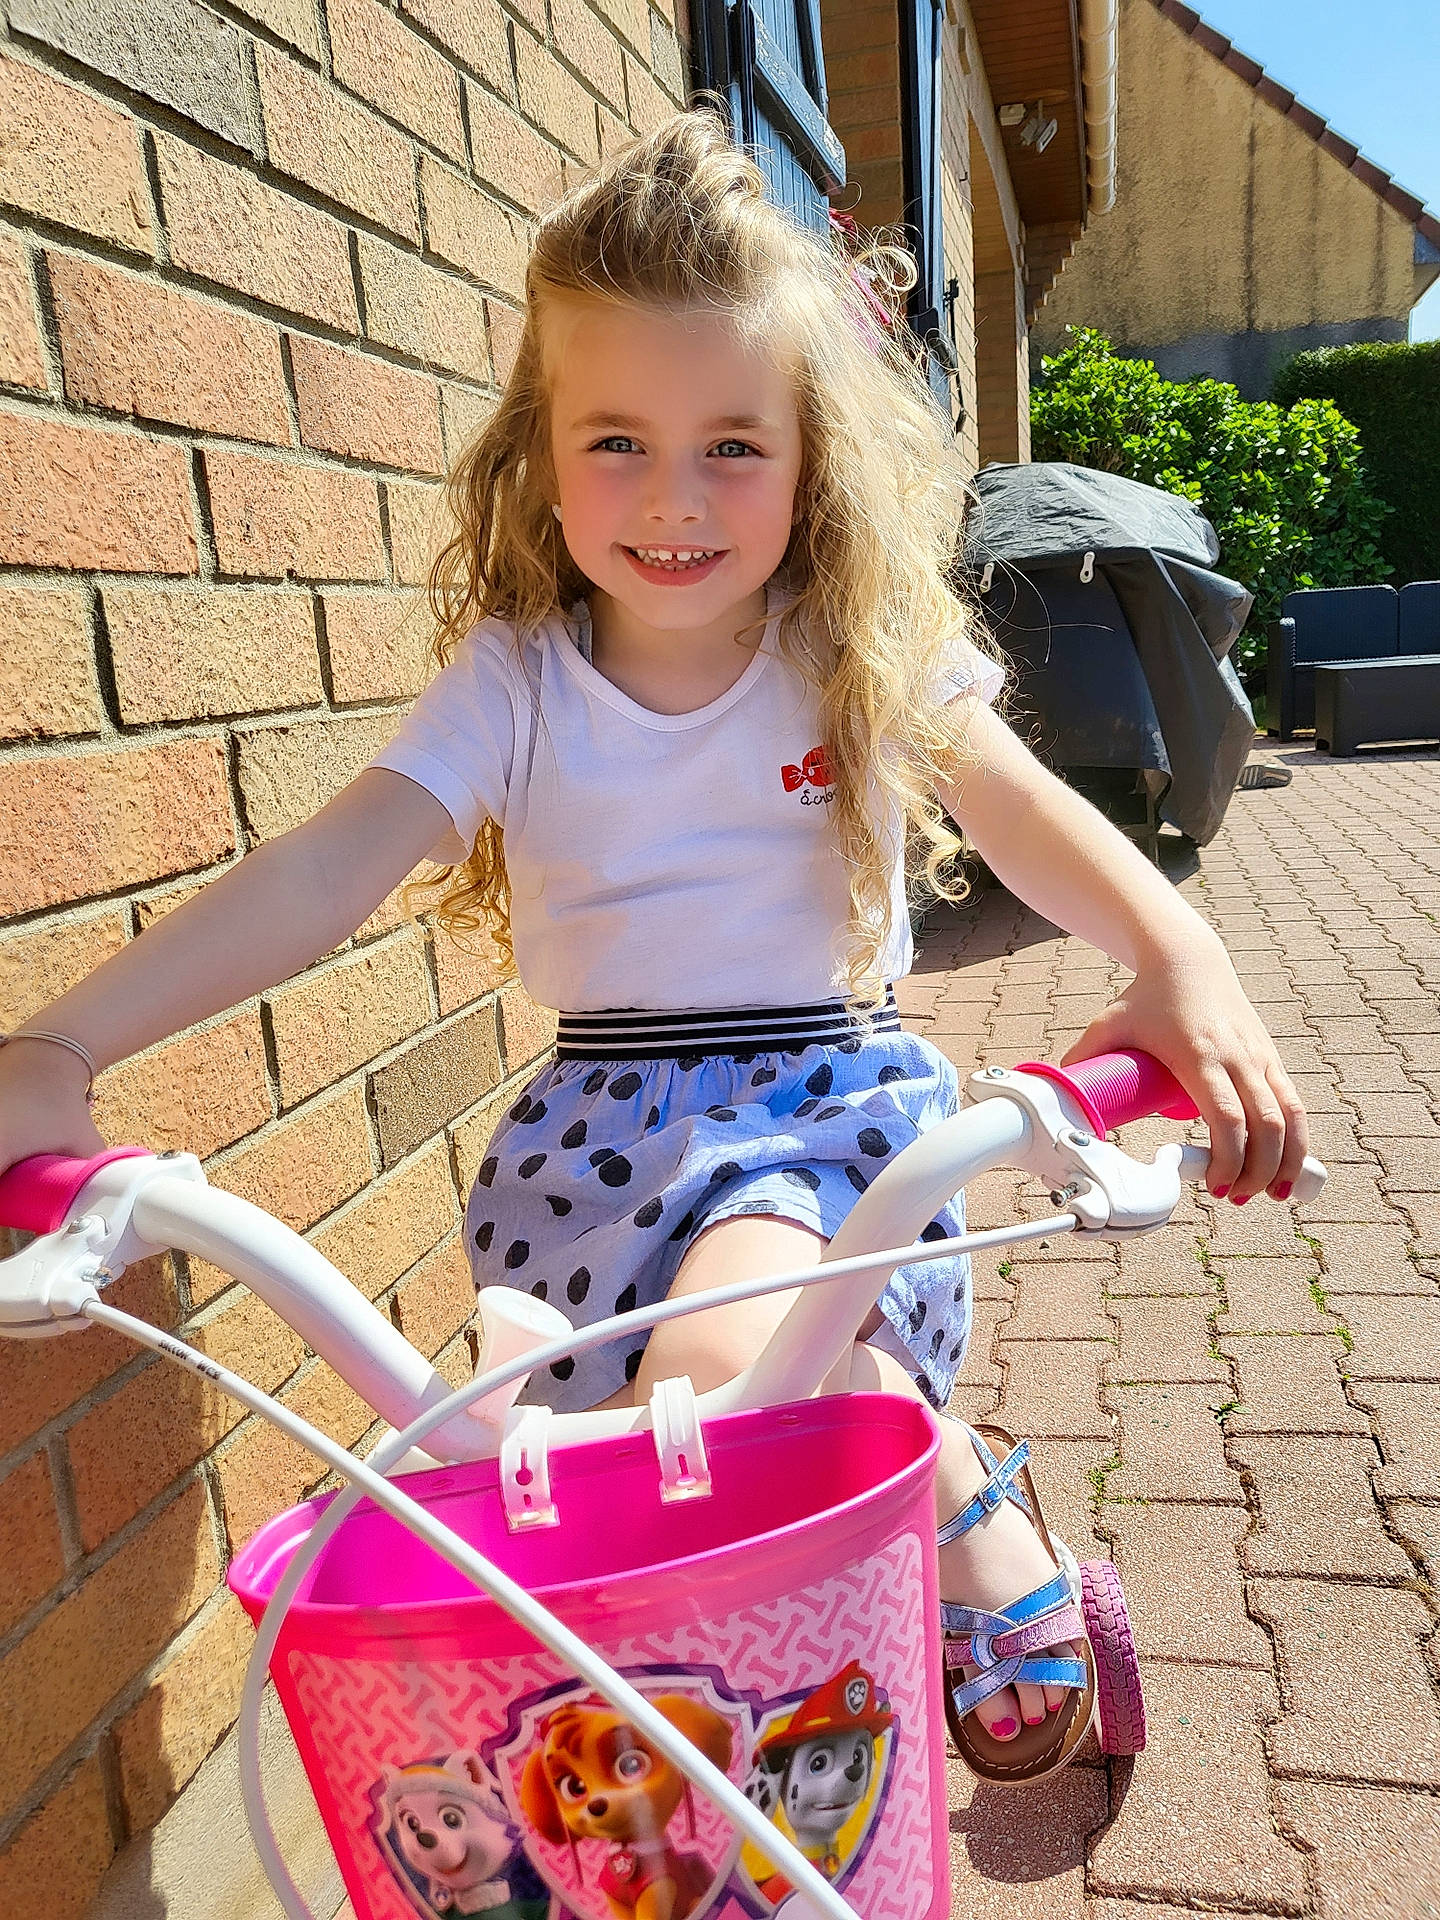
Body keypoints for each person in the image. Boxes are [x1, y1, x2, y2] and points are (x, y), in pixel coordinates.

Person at [0, 104, 1308, 1785]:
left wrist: (1175, 954)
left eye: (733, 447)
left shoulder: (853, 649)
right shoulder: (520, 681)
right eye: (615, 440)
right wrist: (60, 1051)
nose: (673, 499)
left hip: (819, 1125)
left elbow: (1024, 810)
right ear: (540, 449)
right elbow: (329, 869)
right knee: (540, 1458)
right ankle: (848, 1570)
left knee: (722, 1375)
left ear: (810, 454)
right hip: (594, 1137)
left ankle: (958, 1499)